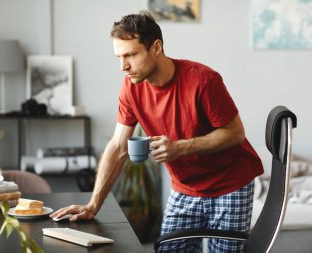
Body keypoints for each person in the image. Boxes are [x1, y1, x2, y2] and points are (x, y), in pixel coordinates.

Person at [51, 11, 263, 252]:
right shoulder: (131, 88)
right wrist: (92, 205)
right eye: (119, 57)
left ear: (156, 47)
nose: (123, 66)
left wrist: (180, 147)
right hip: (186, 187)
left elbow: (235, 133)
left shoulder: (203, 80)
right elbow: (119, 146)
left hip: (230, 184)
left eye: (130, 55)